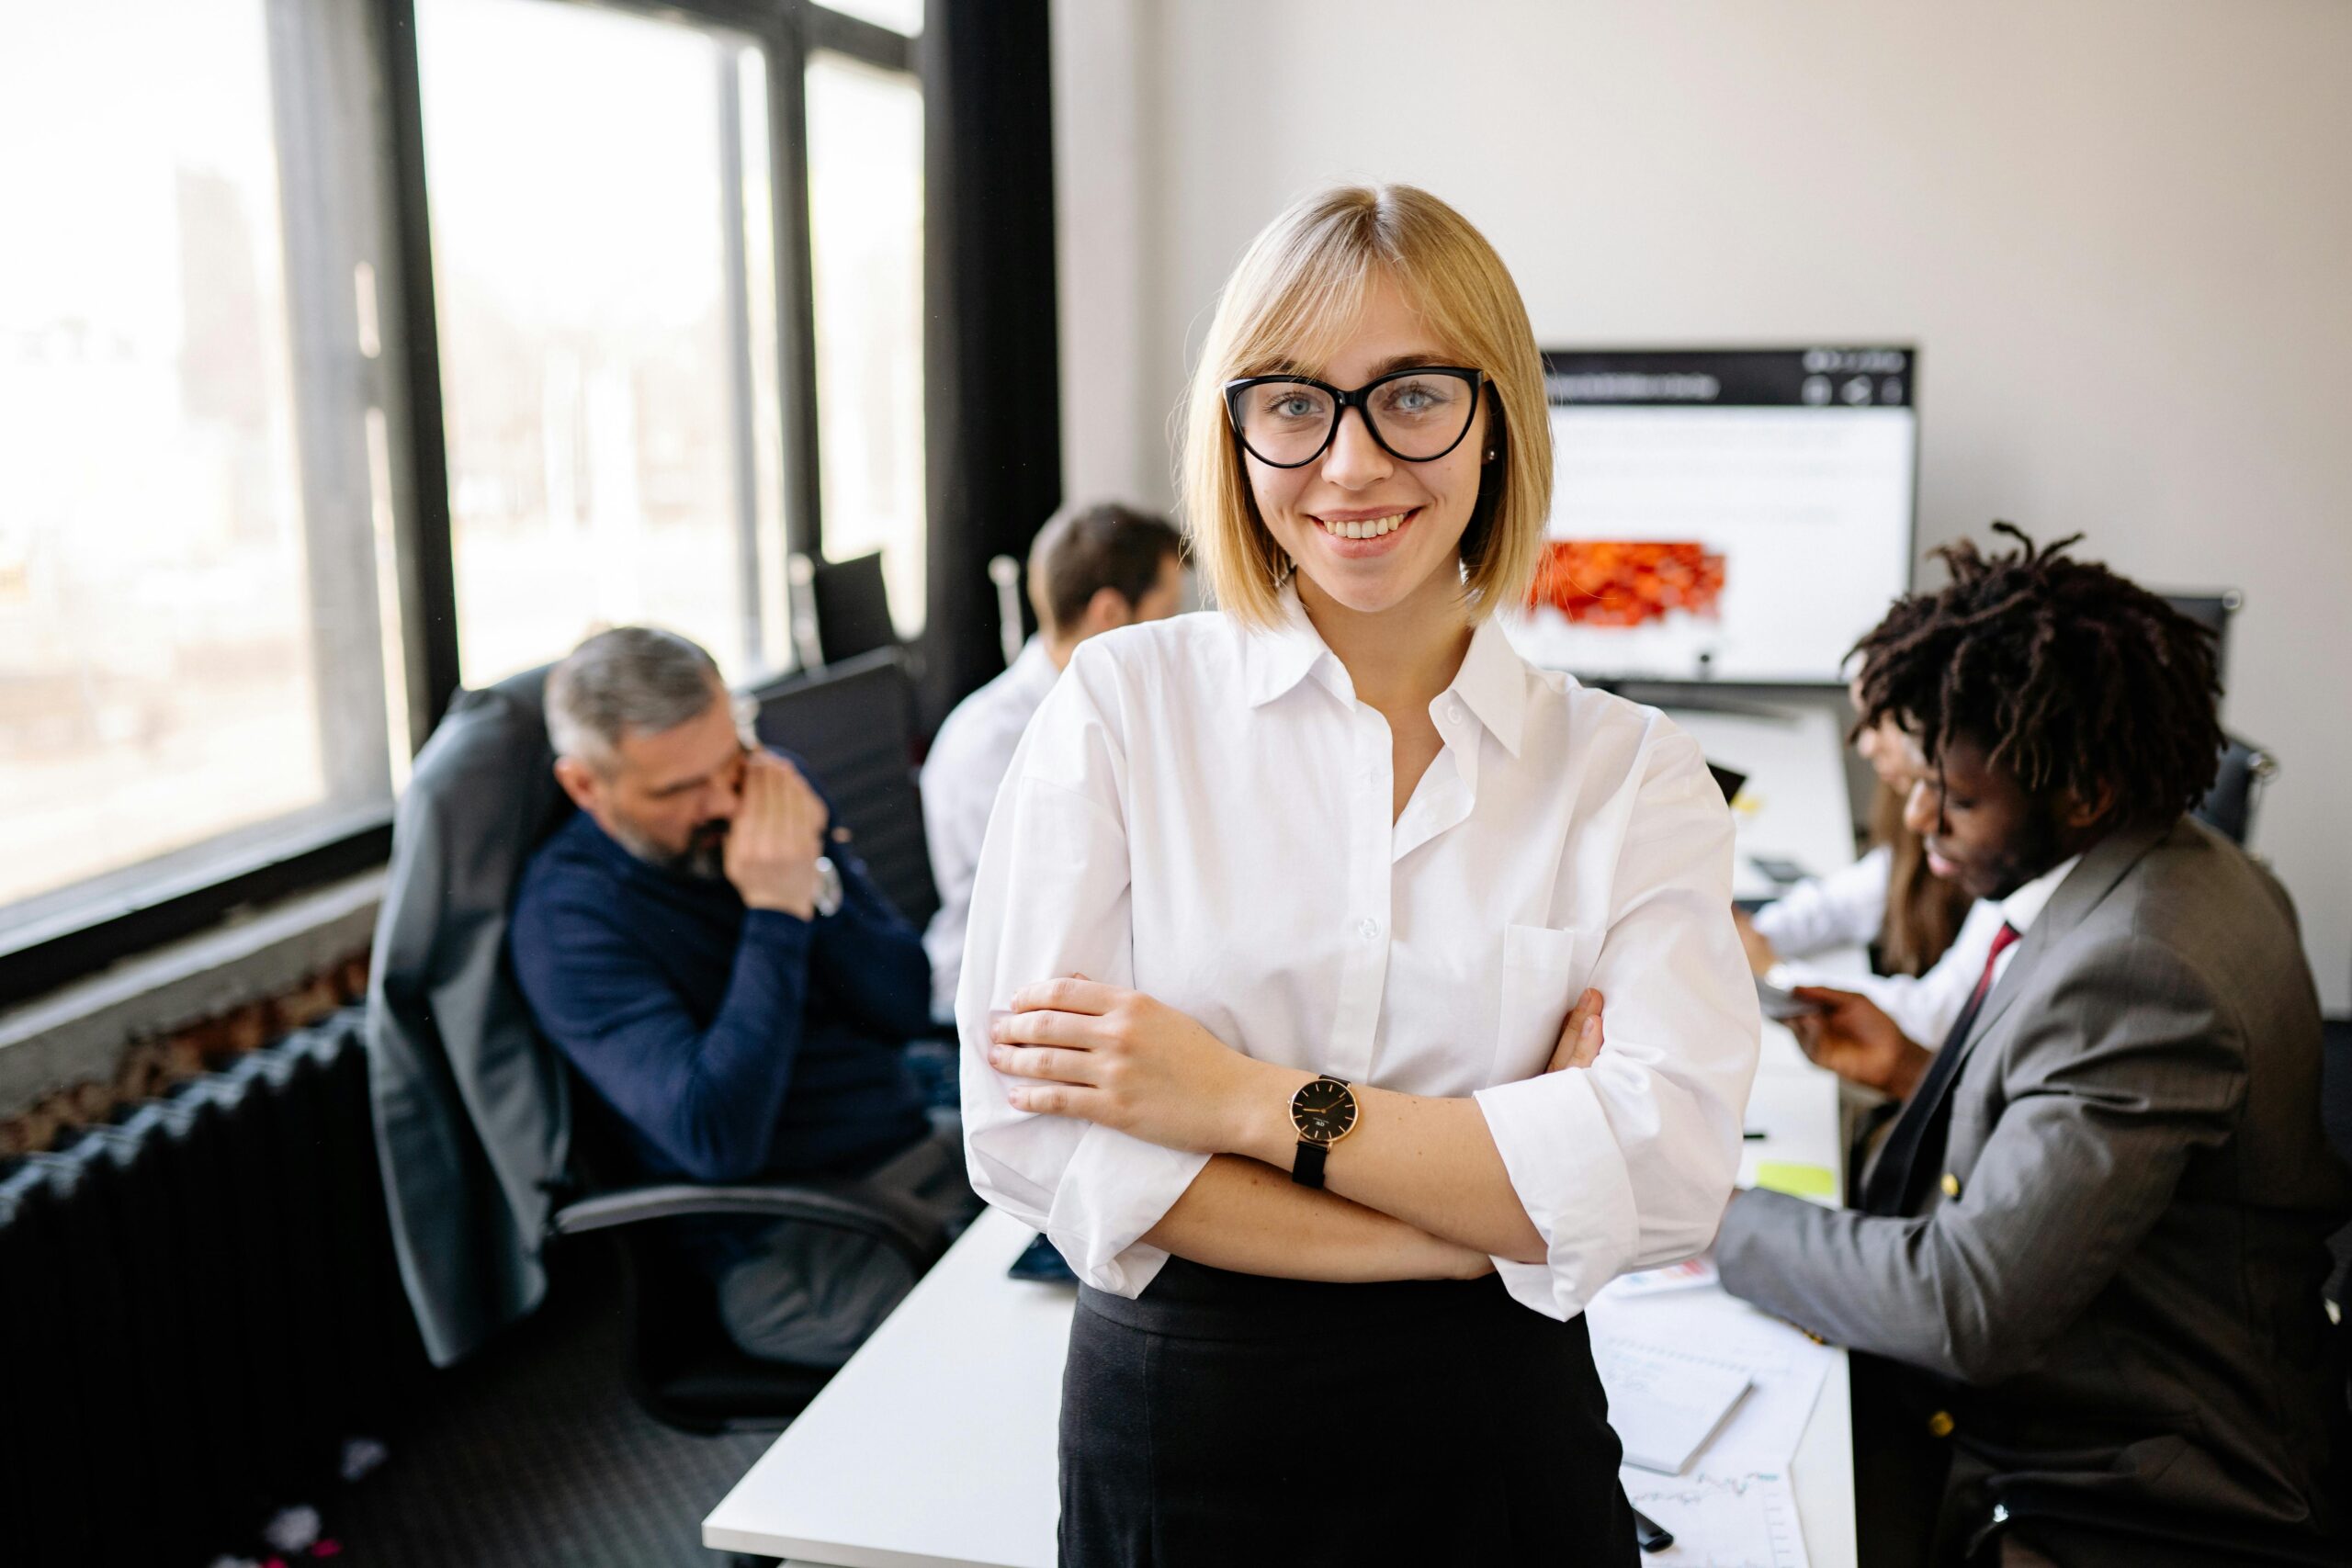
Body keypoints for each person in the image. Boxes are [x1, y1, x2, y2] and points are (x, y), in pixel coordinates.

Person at [957, 184, 1758, 1564]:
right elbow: (1031, 1134)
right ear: (1239, 428)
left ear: (1497, 413)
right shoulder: (1118, 711)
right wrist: (1485, 1217)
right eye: (1293, 404)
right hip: (1181, 1422)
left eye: (1411, 396)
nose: (1350, 464)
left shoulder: (1628, 770)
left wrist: (1234, 1097)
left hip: (1492, 1433)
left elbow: (1671, 1173)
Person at [1713, 527, 2352, 1566]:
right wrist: (1922, 1077)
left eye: (1956, 799)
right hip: (2112, 1375)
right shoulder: (2175, 868)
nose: (1920, 822)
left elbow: (1966, 1307)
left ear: (2081, 793)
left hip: (2143, 1482)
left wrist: (1708, 1214)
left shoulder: (2144, 970)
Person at [510, 626, 976, 1369]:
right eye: (677, 788)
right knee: (1036, 1349)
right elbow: (718, 1137)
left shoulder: (767, 789)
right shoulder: (567, 920)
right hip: (794, 1236)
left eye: (731, 760)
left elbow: (901, 1004)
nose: (725, 799)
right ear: (585, 786)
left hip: (917, 1142)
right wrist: (776, 912)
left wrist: (815, 877)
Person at [921, 502, 1184, 1016]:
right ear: (1110, 614)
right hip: (1001, 995)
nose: (1176, 635)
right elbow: (1043, 915)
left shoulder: (1129, 708)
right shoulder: (991, 742)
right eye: (1167, 614)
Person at [1737, 694, 1991, 1049]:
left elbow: (1937, 1016)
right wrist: (1745, 941)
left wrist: (1776, 973)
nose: (1867, 745)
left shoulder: (2005, 875)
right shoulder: (1920, 821)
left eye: (1880, 721)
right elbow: (1844, 902)